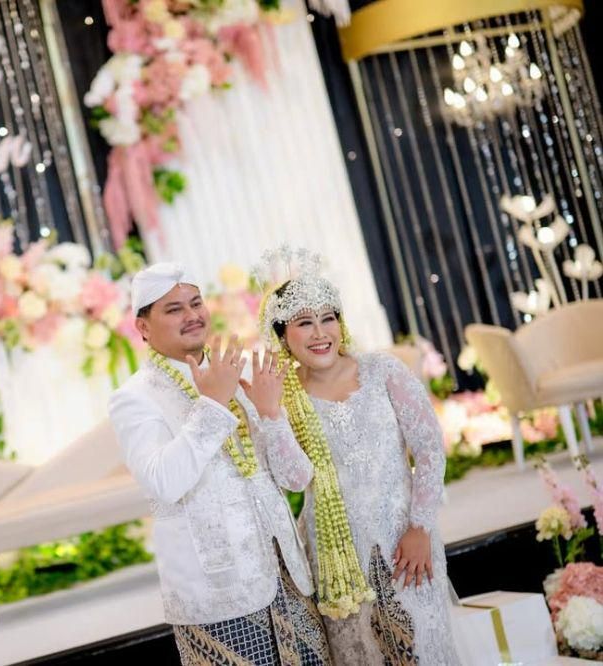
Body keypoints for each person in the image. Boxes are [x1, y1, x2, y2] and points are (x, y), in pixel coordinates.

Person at [108, 262, 332, 665]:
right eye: (174, 309)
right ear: (143, 327)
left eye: (196, 303)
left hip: (286, 576)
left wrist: (272, 415)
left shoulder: (240, 369)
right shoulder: (135, 398)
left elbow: (296, 479)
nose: (192, 315)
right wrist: (212, 404)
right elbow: (164, 483)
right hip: (218, 593)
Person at [254, 247, 459, 665]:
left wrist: (420, 527)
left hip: (404, 537)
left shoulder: (384, 372)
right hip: (336, 556)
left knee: (423, 645)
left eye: (328, 318)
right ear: (281, 334)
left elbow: (429, 450)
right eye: (304, 323)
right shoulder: (284, 395)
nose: (320, 333)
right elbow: (295, 480)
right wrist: (271, 415)